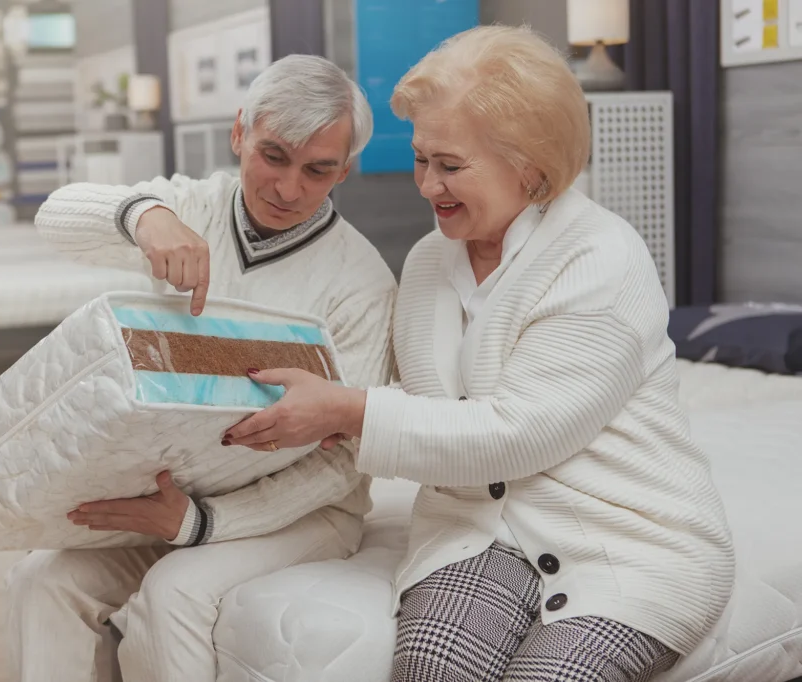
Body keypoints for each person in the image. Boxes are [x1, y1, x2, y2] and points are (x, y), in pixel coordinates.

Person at [225, 26, 735, 682]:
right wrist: (324, 417)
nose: (426, 184)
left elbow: (517, 433)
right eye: (420, 159)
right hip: (473, 534)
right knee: (433, 669)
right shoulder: (429, 262)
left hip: (629, 545)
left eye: (450, 164)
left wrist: (349, 413)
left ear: (529, 165)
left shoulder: (599, 258)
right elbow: (434, 407)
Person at [7, 54, 398, 682]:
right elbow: (54, 216)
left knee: (173, 589)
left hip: (302, 515)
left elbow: (340, 462)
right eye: (273, 156)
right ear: (239, 132)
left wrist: (201, 523)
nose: (288, 188)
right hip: (174, 489)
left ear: (344, 171)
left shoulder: (362, 282)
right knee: (42, 577)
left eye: (317, 170)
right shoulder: (191, 206)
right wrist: (144, 216)